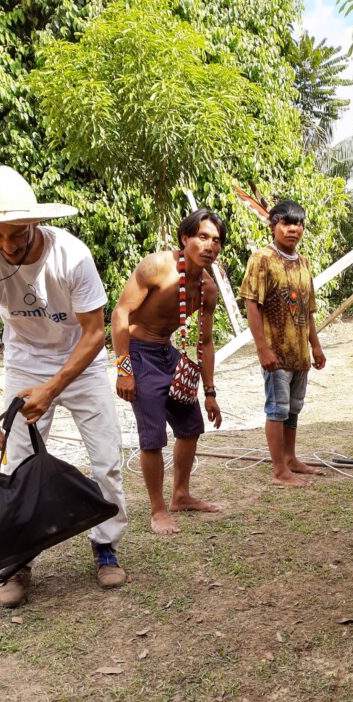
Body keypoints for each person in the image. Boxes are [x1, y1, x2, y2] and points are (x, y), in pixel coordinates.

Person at [0, 166, 128, 607]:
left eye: (17, 234)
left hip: (79, 364)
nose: (7, 246)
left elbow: (94, 333)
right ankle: (18, 559)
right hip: (26, 363)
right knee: (16, 470)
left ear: (35, 221)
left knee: (106, 460)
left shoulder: (72, 255)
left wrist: (54, 387)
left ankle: (105, 545)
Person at [111, 209, 224, 535]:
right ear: (185, 238)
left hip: (167, 353)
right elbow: (120, 314)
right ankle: (158, 510)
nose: (209, 246)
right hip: (138, 353)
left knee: (191, 426)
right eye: (202, 237)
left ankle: (181, 495)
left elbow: (205, 342)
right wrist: (124, 369)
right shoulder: (158, 267)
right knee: (153, 437)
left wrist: (210, 391)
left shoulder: (207, 289)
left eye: (216, 241)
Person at [240, 199, 326, 487]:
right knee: (277, 409)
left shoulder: (303, 262)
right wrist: (262, 348)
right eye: (286, 223)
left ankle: (290, 458)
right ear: (273, 225)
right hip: (275, 351)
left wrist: (315, 345)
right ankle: (279, 470)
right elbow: (252, 305)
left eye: (299, 224)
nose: (293, 229)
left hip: (299, 351)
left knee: (293, 408)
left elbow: (308, 308)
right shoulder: (262, 259)